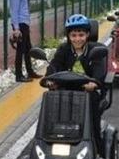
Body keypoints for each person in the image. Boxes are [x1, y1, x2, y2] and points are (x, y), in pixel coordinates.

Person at [45, 14, 108, 150]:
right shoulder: (63, 49)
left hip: (89, 92)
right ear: (69, 36)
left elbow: (100, 70)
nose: (77, 39)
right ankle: (47, 144)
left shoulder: (96, 49)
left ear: (87, 35)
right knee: (50, 104)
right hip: (66, 90)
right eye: (73, 35)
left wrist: (94, 83)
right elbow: (54, 66)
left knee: (92, 120)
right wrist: (50, 79)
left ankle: (98, 149)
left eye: (81, 35)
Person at [9, 0, 40, 82]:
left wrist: (26, 25)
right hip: (20, 25)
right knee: (21, 50)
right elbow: (14, 11)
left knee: (28, 50)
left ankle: (30, 72)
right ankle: (18, 76)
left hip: (24, 24)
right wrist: (16, 28)